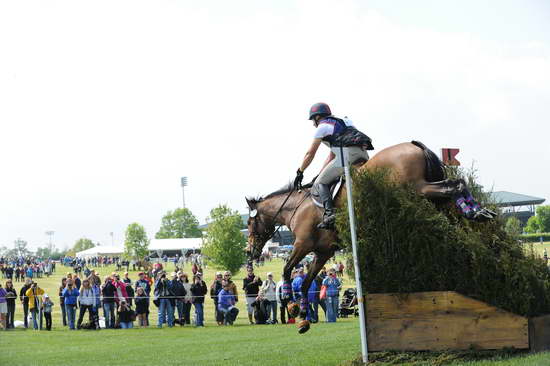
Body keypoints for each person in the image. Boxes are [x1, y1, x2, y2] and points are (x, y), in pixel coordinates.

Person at [293, 102, 372, 229]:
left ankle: (330, 215)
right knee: (320, 179)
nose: (313, 124)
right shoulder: (344, 122)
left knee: (319, 184)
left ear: (317, 117)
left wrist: (300, 171)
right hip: (363, 154)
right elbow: (331, 156)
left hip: (348, 155)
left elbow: (310, 154)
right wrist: (320, 174)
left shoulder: (322, 127)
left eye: (313, 120)